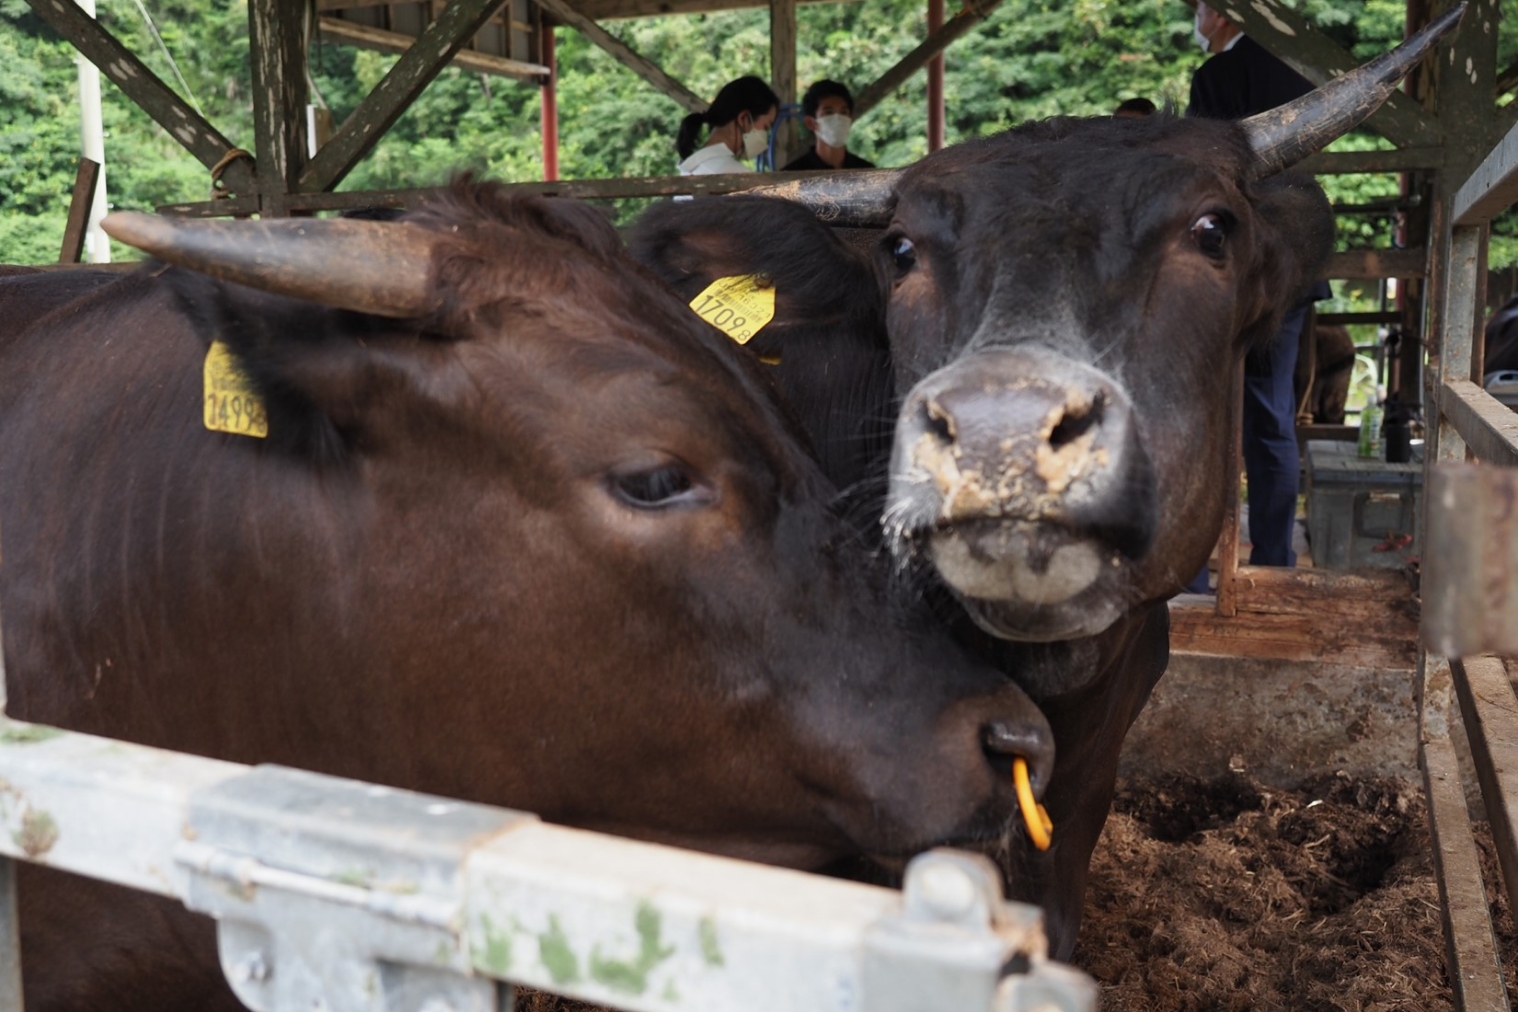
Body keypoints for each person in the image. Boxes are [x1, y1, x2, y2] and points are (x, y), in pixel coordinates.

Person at [1184, 1, 1332, 591]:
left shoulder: (1217, 78)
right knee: (1272, 415)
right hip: (1290, 265)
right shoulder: (1299, 72)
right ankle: (1274, 564)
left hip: (1226, 269)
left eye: (1198, 6)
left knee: (1203, 413)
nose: (1195, 17)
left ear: (1221, 12)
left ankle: (1193, 570)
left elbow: (1195, 172)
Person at [676, 76, 780, 176]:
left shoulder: (690, 168)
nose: (765, 137)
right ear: (743, 119)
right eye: (766, 127)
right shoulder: (737, 176)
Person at [782, 80, 875, 171]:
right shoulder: (792, 175)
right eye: (828, 112)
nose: (838, 119)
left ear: (850, 119)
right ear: (810, 122)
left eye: (843, 112)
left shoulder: (867, 172)